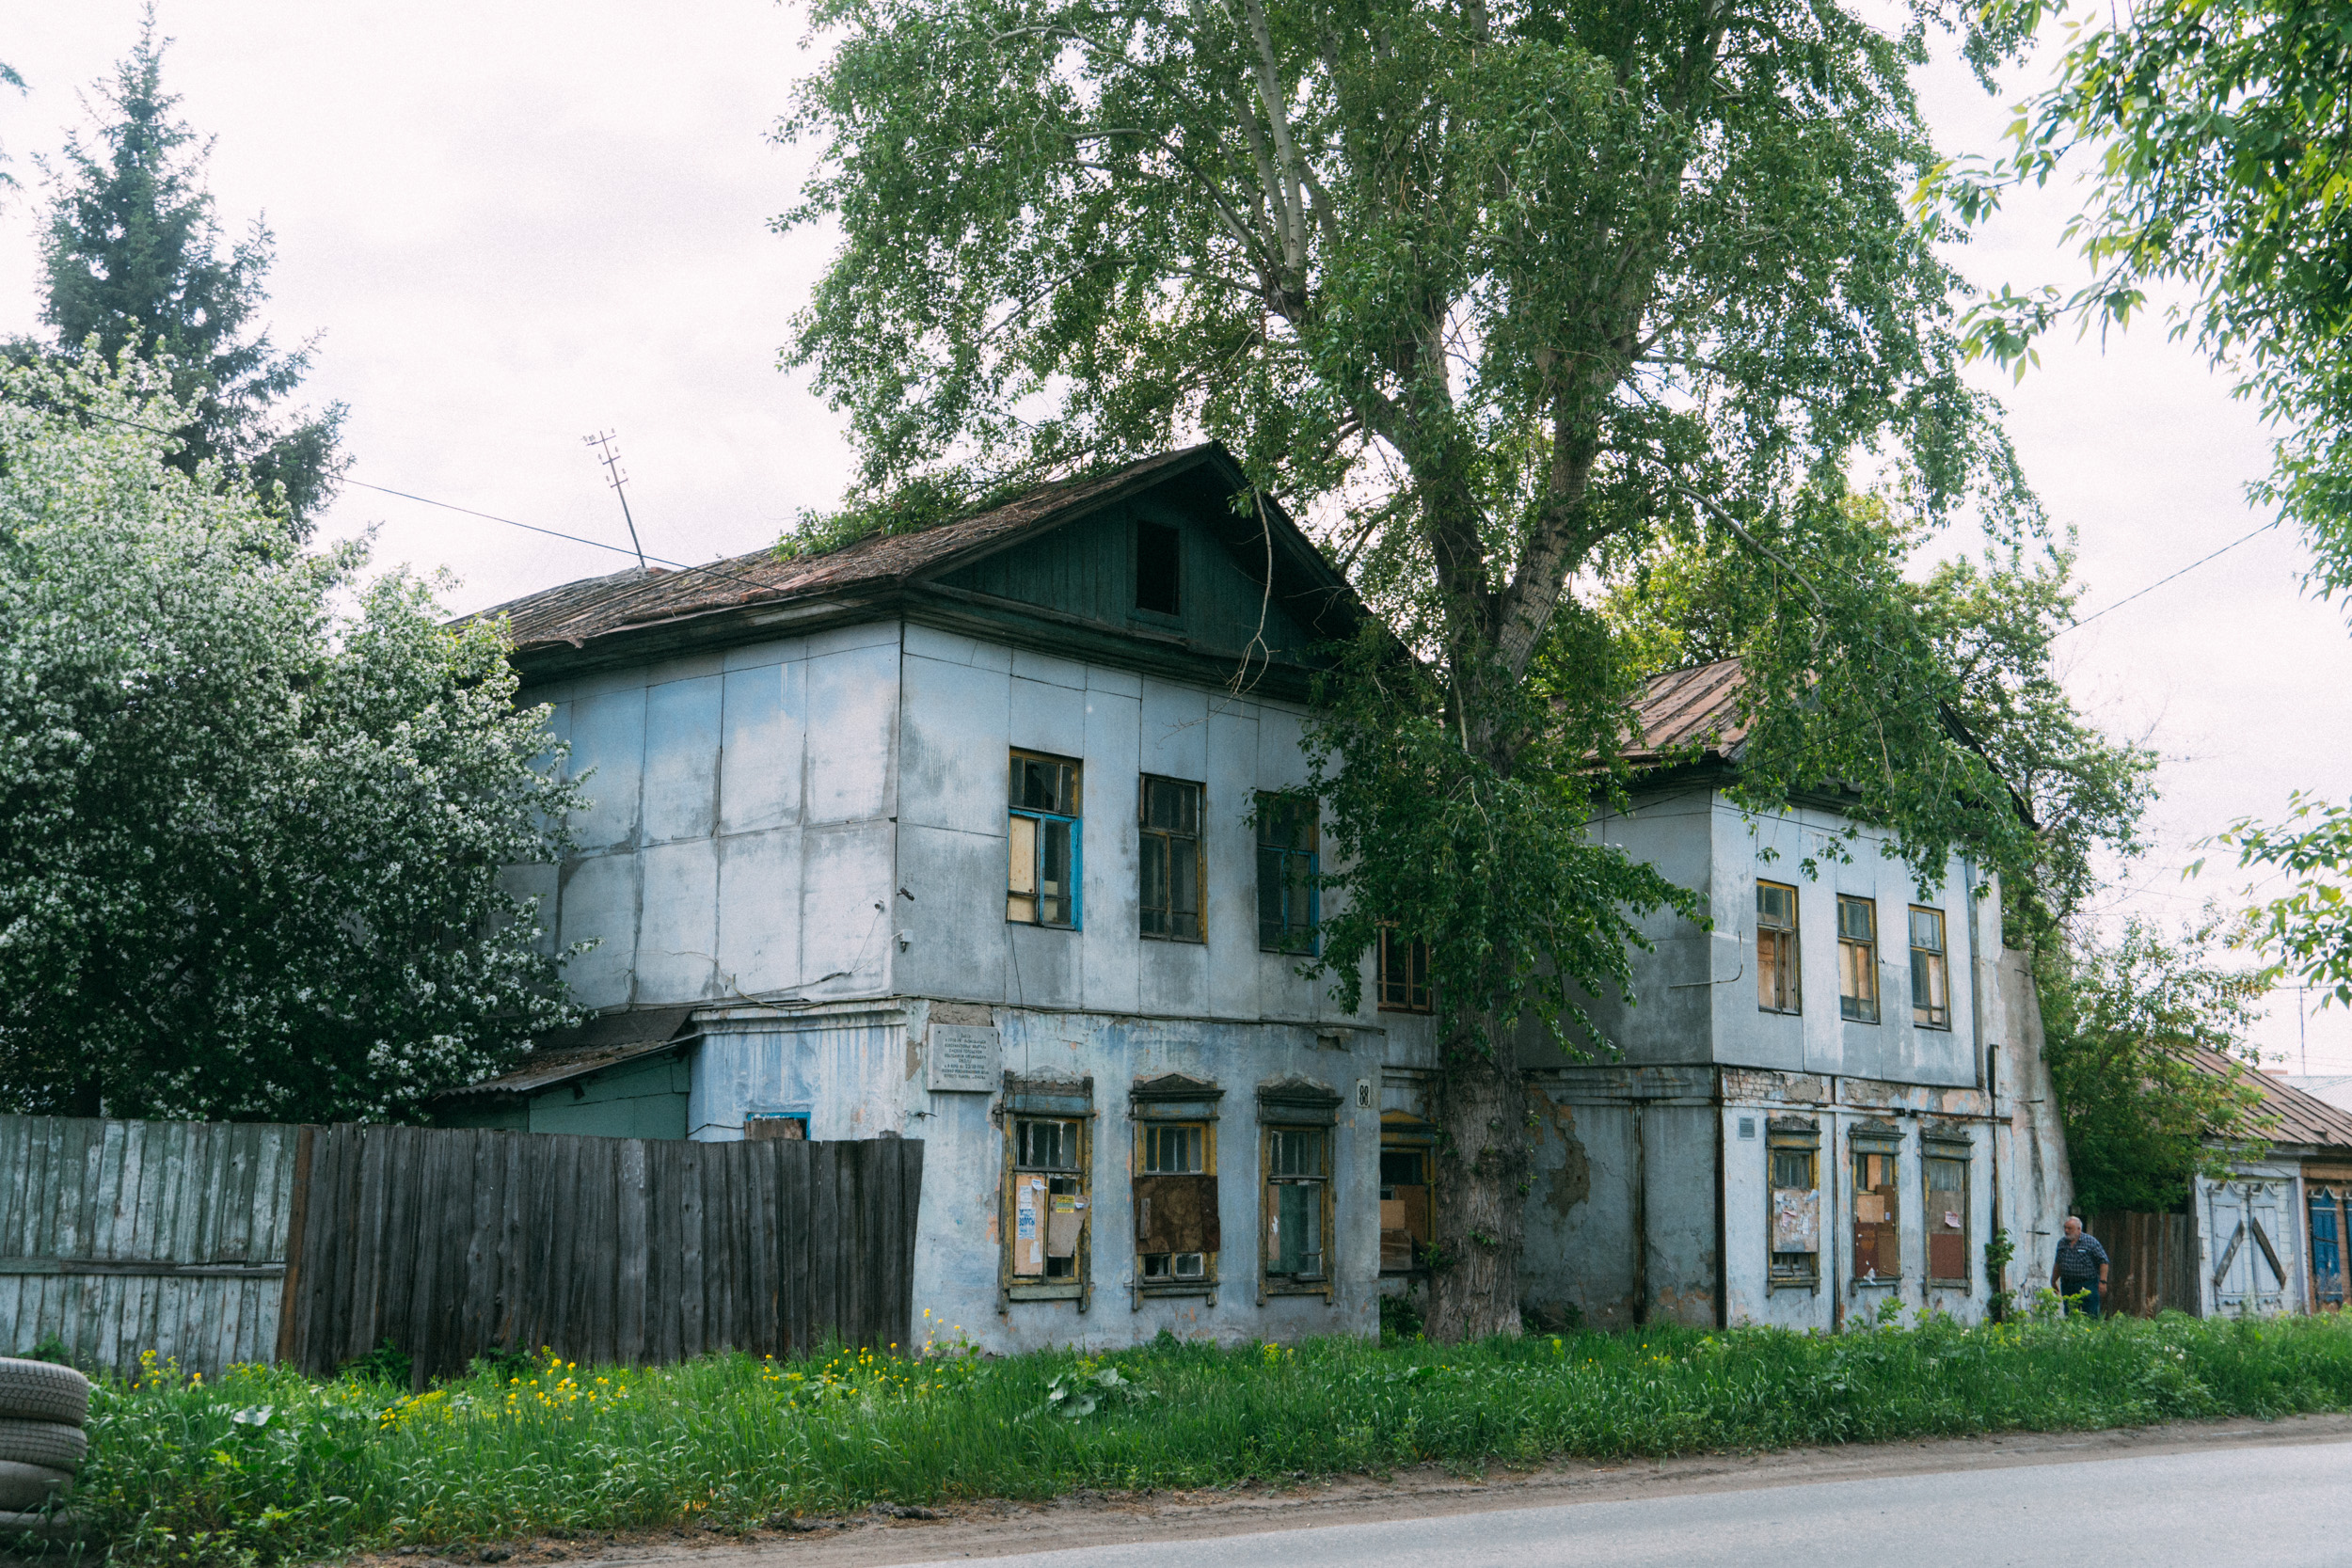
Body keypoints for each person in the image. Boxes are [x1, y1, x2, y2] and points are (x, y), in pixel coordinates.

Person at [2052, 1215, 2110, 1317]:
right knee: (2070, 1314)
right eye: (2065, 1228)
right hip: (2068, 1284)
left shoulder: (2090, 1242)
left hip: (2087, 1284)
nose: (2066, 1231)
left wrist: (2103, 1282)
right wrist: (2053, 1280)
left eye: (2069, 1228)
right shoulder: (2062, 1243)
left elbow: (2103, 1261)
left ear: (2079, 1229)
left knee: (2090, 1314)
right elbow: (2058, 1263)